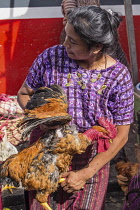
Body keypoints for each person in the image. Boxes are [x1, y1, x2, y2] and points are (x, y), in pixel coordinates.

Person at [17, 6, 134, 210]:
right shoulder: (51, 58)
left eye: (73, 41)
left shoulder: (119, 76)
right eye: (66, 36)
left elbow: (122, 135)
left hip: (90, 160)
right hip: (44, 155)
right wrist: (42, 120)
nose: (65, 44)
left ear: (96, 47)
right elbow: (24, 94)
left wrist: (86, 173)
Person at [60, 0, 130, 69]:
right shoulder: (57, 55)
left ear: (97, 47)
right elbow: (69, 8)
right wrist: (74, 19)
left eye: (72, 42)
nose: (65, 44)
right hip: (78, 30)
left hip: (93, 32)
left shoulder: (117, 74)